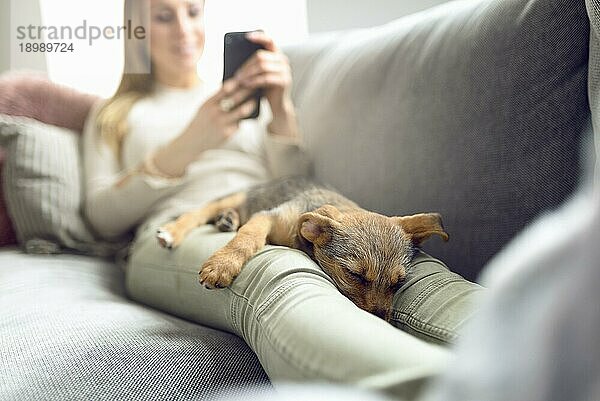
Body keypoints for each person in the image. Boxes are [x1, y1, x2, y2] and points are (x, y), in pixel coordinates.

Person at [82, 0, 484, 399]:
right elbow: (101, 216)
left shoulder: (240, 97)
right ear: (136, 28)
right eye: (164, 16)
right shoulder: (114, 113)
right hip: (179, 230)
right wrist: (190, 143)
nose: (184, 30)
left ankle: (534, 344)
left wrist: (279, 104)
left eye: (193, 11)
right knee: (278, 271)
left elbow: (292, 183)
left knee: (407, 271)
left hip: (268, 208)